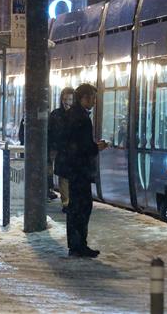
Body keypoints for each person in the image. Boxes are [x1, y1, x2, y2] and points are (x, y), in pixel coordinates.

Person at [63, 83, 108, 258]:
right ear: (83, 98)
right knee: (81, 207)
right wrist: (96, 147)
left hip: (74, 169)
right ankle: (78, 245)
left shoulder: (73, 115)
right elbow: (81, 146)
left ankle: (77, 244)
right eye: (91, 98)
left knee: (77, 207)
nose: (94, 102)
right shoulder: (81, 117)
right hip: (79, 169)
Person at [49, 87, 74, 208]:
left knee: (69, 176)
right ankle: (66, 202)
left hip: (72, 150)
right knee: (63, 176)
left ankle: (69, 201)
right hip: (59, 149)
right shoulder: (56, 114)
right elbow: (50, 132)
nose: (66, 102)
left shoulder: (77, 115)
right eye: (64, 99)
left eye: (69, 99)